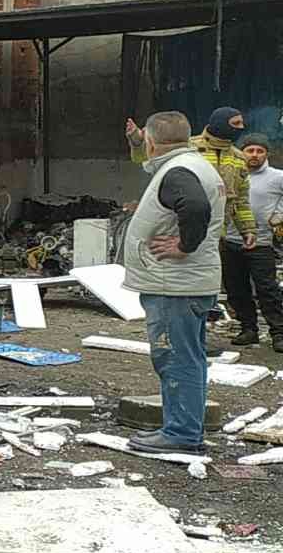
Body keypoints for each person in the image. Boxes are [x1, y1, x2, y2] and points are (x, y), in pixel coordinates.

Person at [121, 112, 225, 455]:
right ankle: (182, 428)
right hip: (185, 284)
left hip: (175, 284)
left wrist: (183, 246)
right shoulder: (191, 164)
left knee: (175, 358)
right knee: (187, 357)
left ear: (151, 142)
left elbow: (193, 206)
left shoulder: (178, 171)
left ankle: (181, 435)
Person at [128, 106, 256, 250]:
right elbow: (148, 161)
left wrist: (247, 230)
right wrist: (138, 142)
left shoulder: (239, 158)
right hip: (178, 230)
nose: (241, 127)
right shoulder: (188, 146)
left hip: (216, 233)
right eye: (236, 123)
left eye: (242, 123)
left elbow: (241, 199)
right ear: (220, 123)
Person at [221, 133, 283, 350]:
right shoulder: (232, 174)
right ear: (242, 152)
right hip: (229, 240)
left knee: (267, 289)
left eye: (260, 151)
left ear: (266, 154)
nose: (254, 155)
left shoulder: (277, 177)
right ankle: (249, 329)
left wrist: (279, 214)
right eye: (250, 150)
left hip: (262, 242)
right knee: (236, 288)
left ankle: (278, 333)